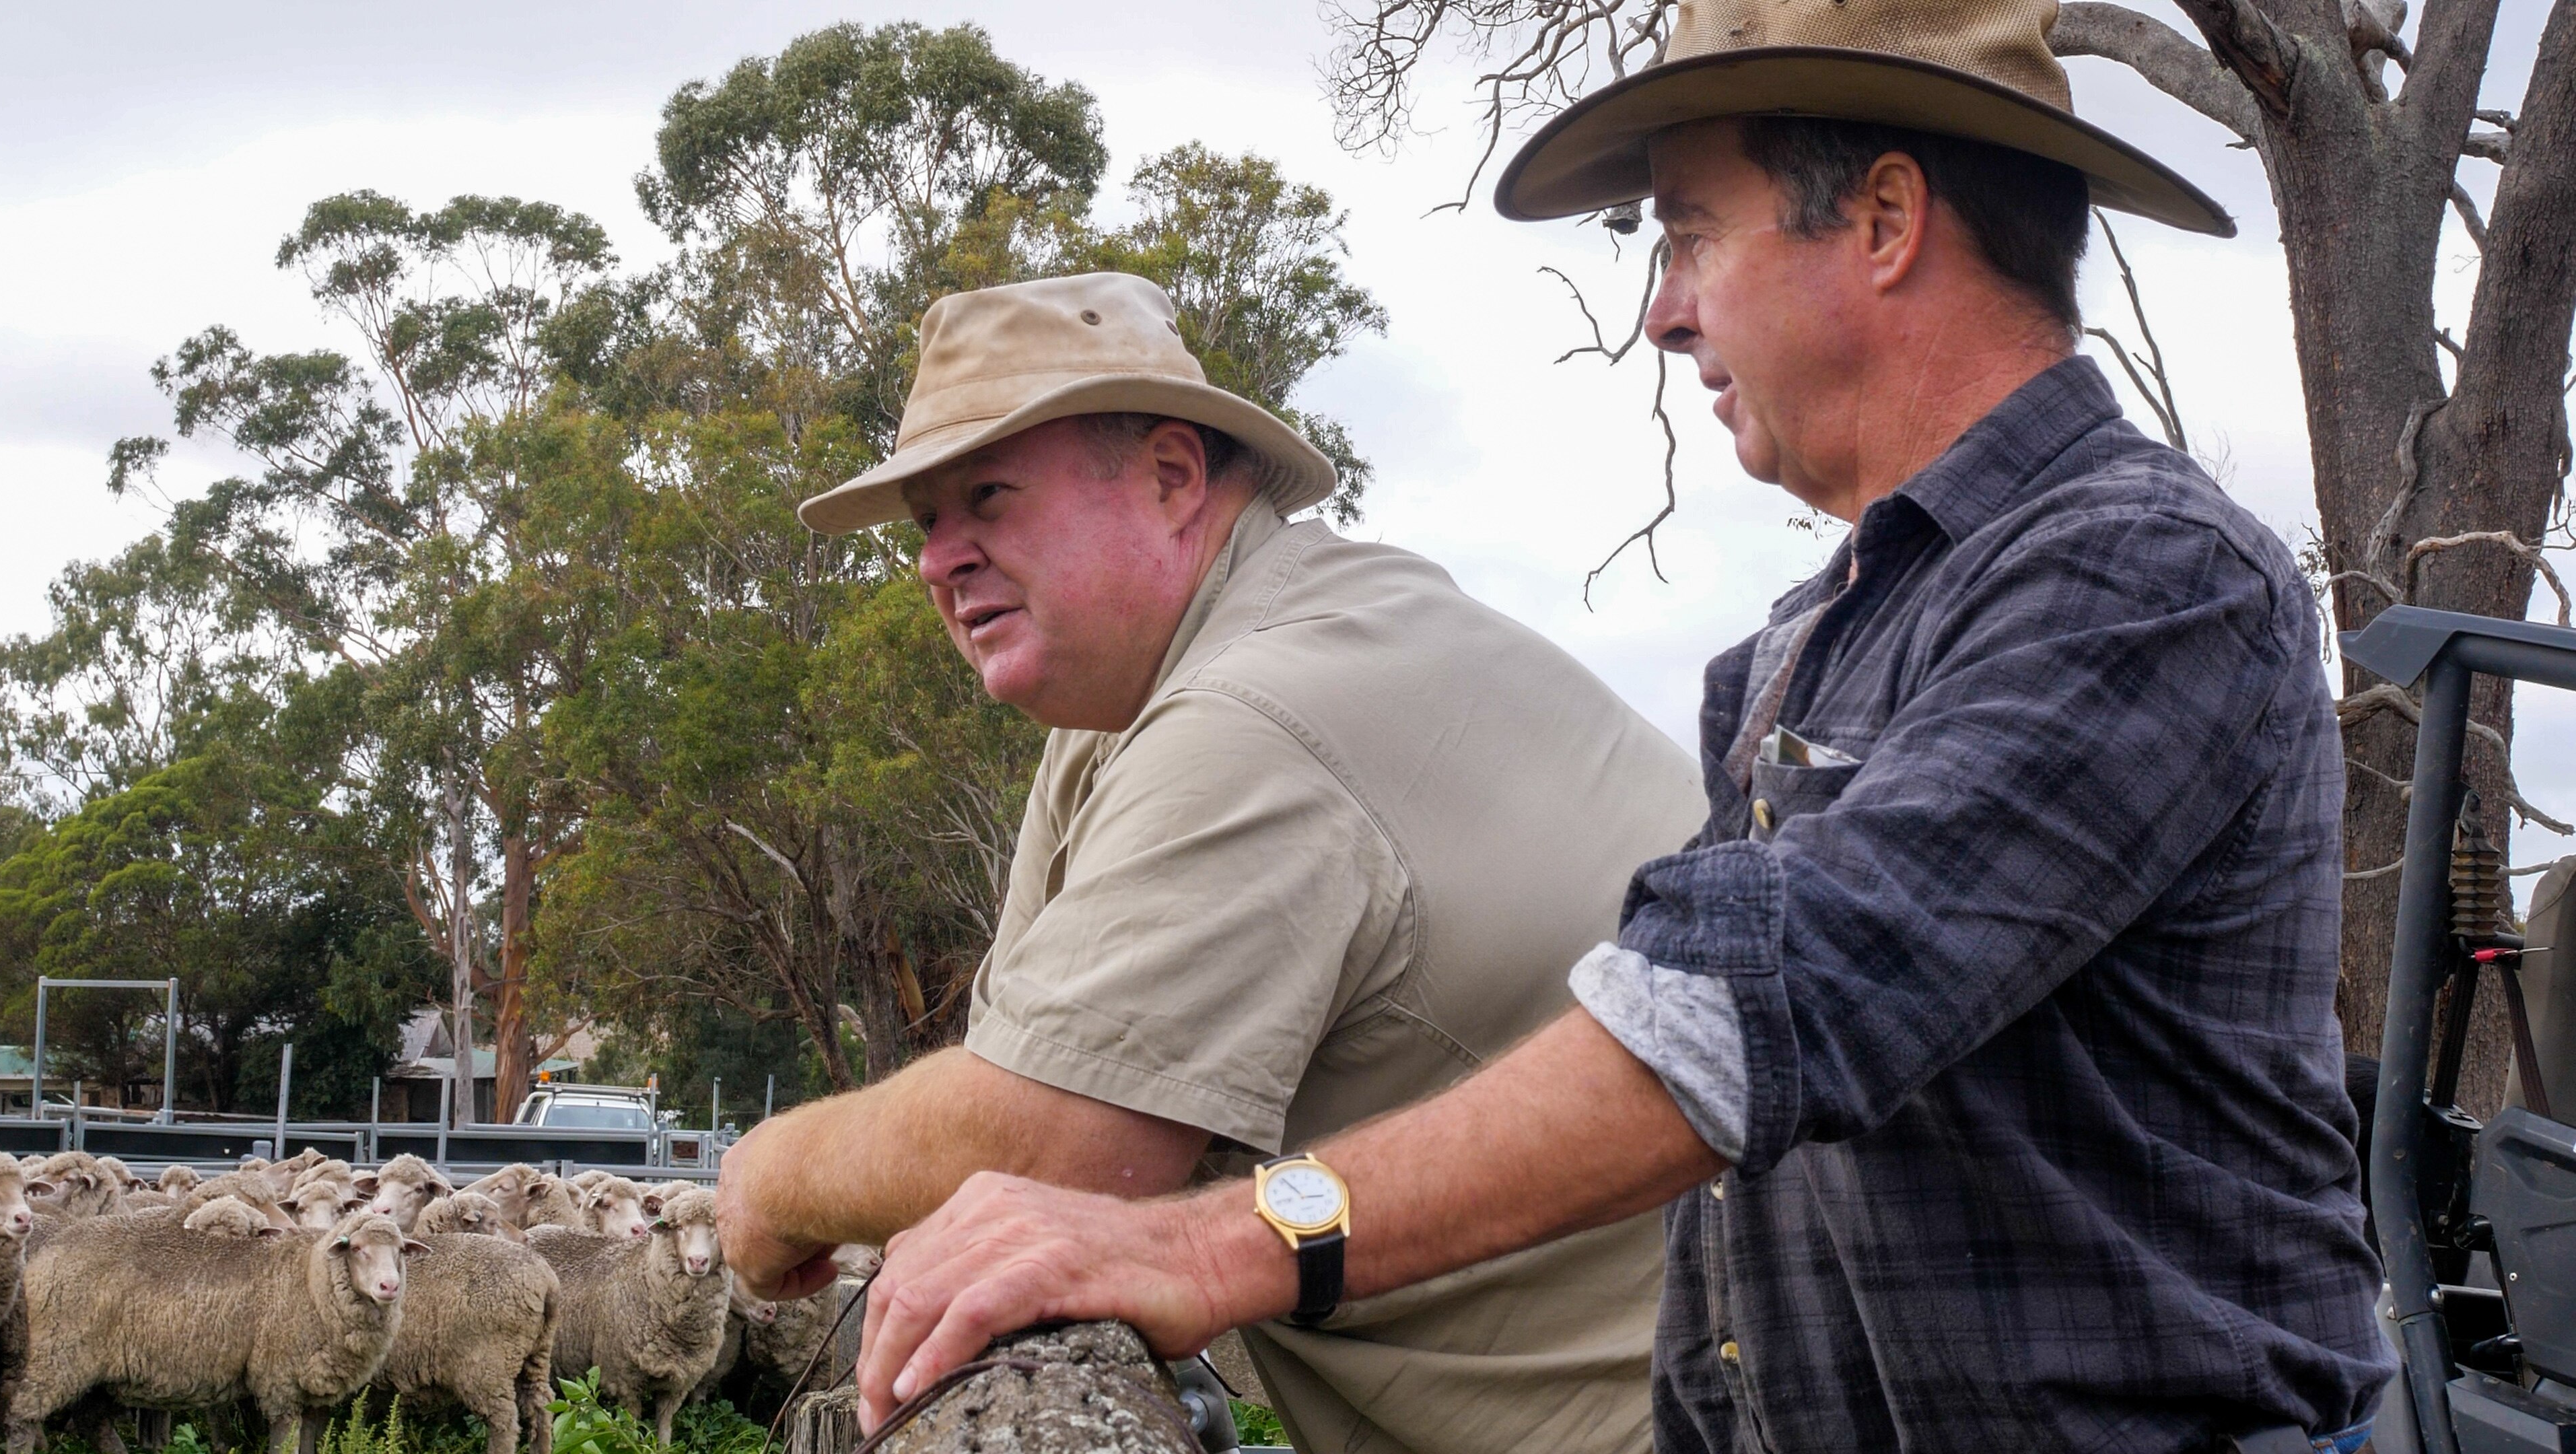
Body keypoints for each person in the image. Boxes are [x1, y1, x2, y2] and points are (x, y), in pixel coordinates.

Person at [846, 1, 2400, 1449]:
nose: (1662, 312)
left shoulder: (2145, 575)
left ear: (1882, 221)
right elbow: (1735, 1225)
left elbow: (1754, 1016)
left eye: (1688, 233)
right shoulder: (1802, 644)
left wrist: (1207, 1243)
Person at [714, 270, 1706, 1454]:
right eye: (927, 523)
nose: (941, 560)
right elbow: (1022, 1063)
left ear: (1175, 479)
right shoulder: (1152, 697)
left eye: (988, 497)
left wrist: (768, 1175)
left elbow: (1059, 1142)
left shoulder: (1256, 712)